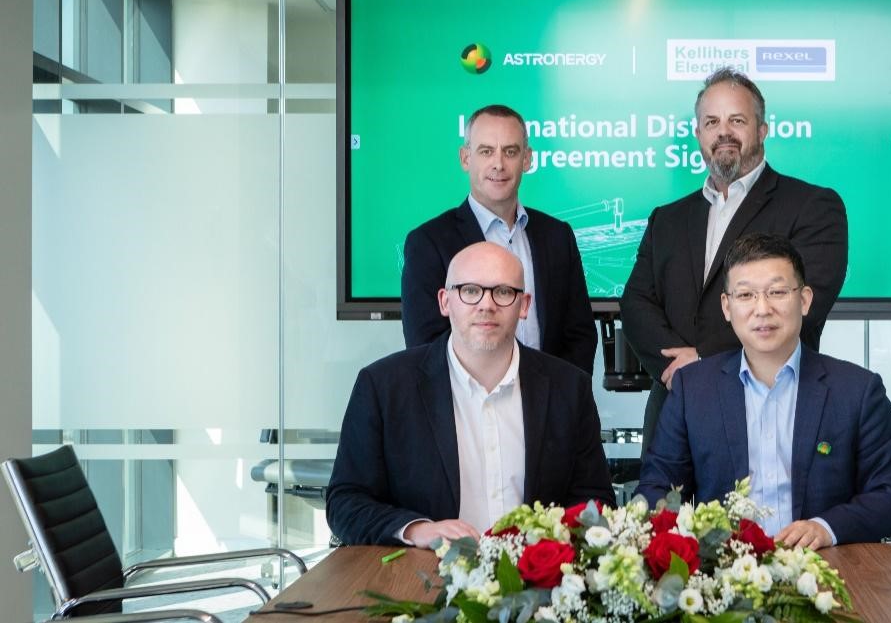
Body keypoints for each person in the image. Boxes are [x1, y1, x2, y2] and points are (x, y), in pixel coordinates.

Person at [328, 242, 614, 547]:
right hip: (423, 571)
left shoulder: (569, 388)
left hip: (535, 573)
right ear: (445, 301)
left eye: (503, 292)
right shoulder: (383, 386)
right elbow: (346, 502)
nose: (486, 305)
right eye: (470, 290)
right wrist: (417, 530)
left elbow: (595, 502)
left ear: (524, 305)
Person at [620, 68, 847, 449]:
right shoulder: (667, 219)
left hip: (770, 409)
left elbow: (800, 306)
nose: (723, 132)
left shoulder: (812, 207)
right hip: (674, 413)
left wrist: (703, 362)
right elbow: (636, 303)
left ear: (762, 130)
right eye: (712, 122)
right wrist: (680, 370)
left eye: (737, 120)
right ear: (698, 134)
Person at [635, 233, 891, 548]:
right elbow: (656, 488)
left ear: (804, 300)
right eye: (746, 295)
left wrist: (825, 528)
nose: (762, 309)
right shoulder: (693, 389)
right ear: (727, 306)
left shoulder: (857, 391)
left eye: (777, 292)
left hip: (827, 565)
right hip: (724, 568)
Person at [401, 104, 597, 374]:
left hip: (548, 398)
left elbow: (580, 334)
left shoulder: (557, 236)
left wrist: (562, 393)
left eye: (510, 152)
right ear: (465, 158)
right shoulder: (428, 243)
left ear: (527, 159)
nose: (499, 163)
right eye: (486, 151)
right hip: (465, 399)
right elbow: (426, 346)